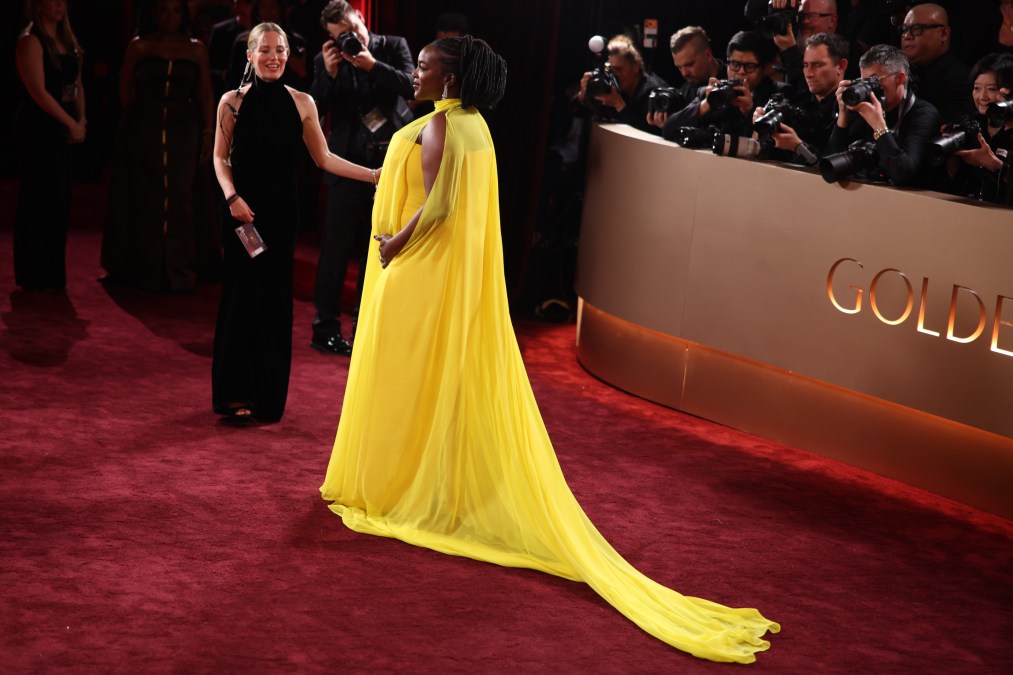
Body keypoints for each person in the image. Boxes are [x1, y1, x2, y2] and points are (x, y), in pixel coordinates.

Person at [320, 35, 780, 663]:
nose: (417, 74)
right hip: (446, 278)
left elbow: (439, 206)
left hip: (419, 276)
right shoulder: (476, 127)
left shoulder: (443, 129)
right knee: (431, 379)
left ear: (451, 78)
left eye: (426, 67)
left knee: (402, 378)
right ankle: (420, 480)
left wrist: (394, 244)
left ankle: (397, 487)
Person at [211, 22, 378, 423]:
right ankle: (236, 394)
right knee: (240, 300)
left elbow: (324, 159)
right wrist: (232, 198)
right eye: (265, 50)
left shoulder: (303, 102)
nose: (274, 57)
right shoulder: (231, 102)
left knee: (273, 302)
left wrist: (374, 174)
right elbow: (219, 158)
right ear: (249, 55)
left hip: (282, 215)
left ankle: (267, 396)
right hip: (242, 214)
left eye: (281, 49)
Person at [309, 0, 414, 356]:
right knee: (334, 252)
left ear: (362, 20)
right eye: (340, 38)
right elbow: (315, 109)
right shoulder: (328, 62)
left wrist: (372, 65)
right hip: (347, 168)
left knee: (379, 249)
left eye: (352, 32)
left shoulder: (393, 46)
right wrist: (328, 73)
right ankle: (324, 328)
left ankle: (366, 327)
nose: (349, 42)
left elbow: (411, 86)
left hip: (390, 167)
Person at [100, 0, 216, 293]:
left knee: (180, 195)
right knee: (145, 195)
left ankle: (180, 269)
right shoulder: (139, 46)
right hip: (145, 126)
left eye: (176, 10)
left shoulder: (196, 49)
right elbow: (125, 86)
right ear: (153, 13)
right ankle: (146, 269)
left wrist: (209, 131)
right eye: (163, 10)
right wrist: (136, 121)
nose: (169, 16)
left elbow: (205, 93)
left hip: (184, 128)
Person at [13, 0, 86, 292]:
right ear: (38, 5)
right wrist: (71, 123)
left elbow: (78, 84)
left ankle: (52, 273)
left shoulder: (67, 39)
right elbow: (39, 93)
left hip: (65, 128)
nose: (59, 5)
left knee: (59, 201)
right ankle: (33, 274)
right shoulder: (31, 40)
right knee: (37, 200)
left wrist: (82, 120)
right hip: (39, 130)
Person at [826, 43, 942, 186]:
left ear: (899, 78)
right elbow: (832, 167)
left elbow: (902, 173)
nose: (868, 89)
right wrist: (843, 115)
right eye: (863, 81)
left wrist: (878, 126)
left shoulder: (924, 115)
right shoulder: (862, 109)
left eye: (873, 81)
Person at [663, 31, 792, 140]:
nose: (741, 72)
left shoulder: (779, 94)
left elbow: (772, 148)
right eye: (735, 64)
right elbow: (668, 129)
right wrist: (706, 104)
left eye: (749, 66)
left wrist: (749, 111)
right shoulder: (715, 90)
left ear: (764, 69)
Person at [752, 32, 849, 164]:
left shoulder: (852, 109)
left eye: (817, 65)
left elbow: (836, 167)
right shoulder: (798, 102)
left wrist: (797, 147)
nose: (808, 74)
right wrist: (761, 130)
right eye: (805, 65)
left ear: (841, 66)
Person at [941, 52, 1013, 203]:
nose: (982, 97)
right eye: (977, 88)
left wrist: (995, 165)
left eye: (992, 89)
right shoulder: (970, 124)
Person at [576, 34, 668, 135]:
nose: (614, 75)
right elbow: (576, 113)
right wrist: (583, 94)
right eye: (610, 70)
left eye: (619, 69)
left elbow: (650, 135)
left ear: (636, 66)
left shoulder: (653, 92)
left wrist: (619, 104)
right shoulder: (614, 88)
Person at [899, 3, 972, 122]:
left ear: (944, 34)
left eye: (917, 29)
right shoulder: (896, 73)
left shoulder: (962, 80)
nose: (907, 36)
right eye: (904, 29)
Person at [646, 26, 726, 131]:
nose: (684, 73)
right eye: (679, 67)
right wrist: (666, 124)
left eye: (689, 65)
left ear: (708, 55)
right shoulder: (686, 90)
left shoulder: (730, 80)